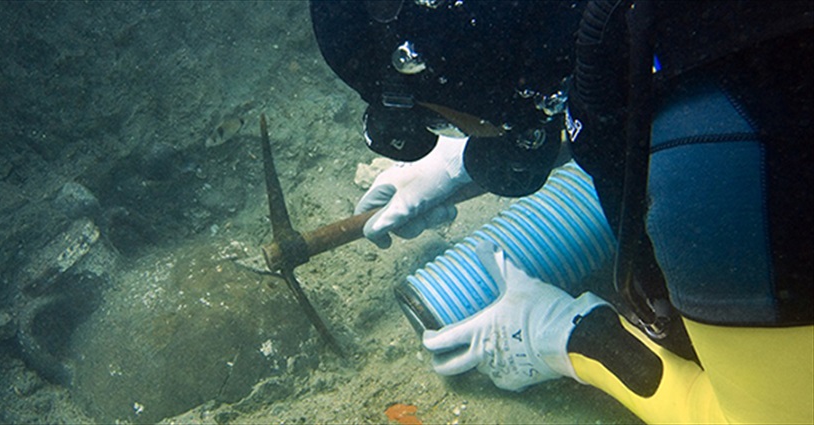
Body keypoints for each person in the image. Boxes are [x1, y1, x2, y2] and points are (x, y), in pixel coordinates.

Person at [310, 1, 813, 423]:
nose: (443, 130)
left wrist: (572, 338)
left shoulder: (712, 163)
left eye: (434, 121)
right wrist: (461, 160)